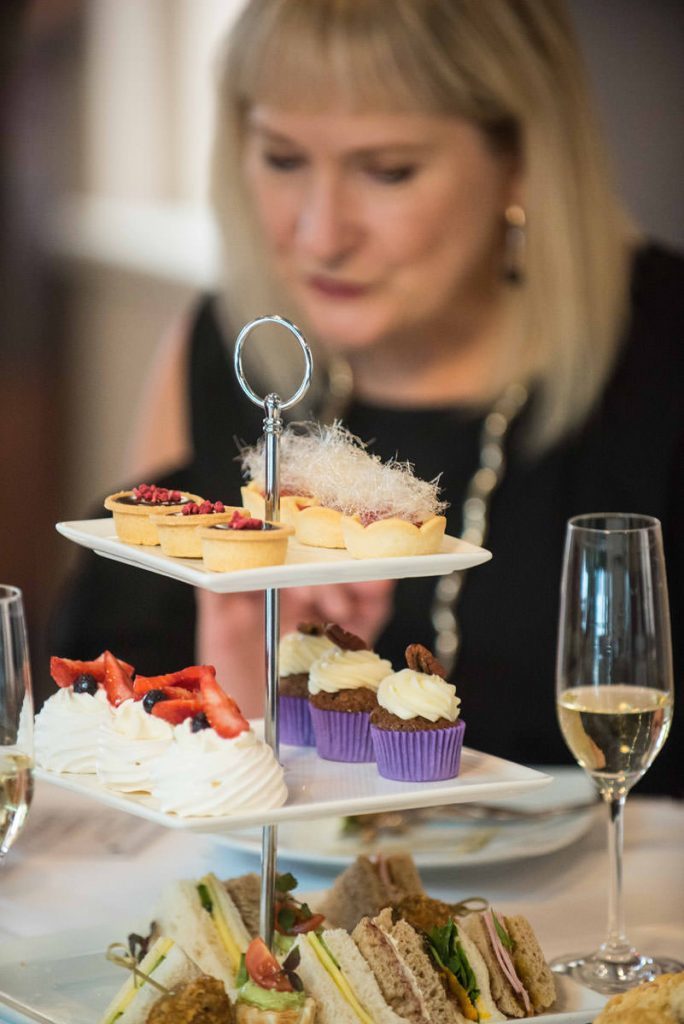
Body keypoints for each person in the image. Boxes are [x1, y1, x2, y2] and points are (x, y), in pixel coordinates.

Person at [51, 0, 683, 795]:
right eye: (283, 158)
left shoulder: (663, 348)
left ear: (521, 160)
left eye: (387, 171)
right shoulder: (228, 347)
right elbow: (93, 718)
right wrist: (249, 705)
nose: (321, 234)